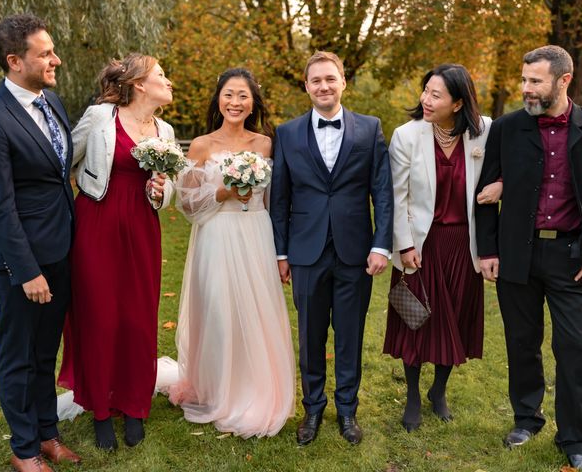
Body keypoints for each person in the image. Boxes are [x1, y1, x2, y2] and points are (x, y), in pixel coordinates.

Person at [0, 14, 80, 472]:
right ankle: (24, 450)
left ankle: (48, 434)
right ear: (14, 61)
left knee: (46, 351)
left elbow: (54, 179)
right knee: (18, 355)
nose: (56, 60)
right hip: (20, 261)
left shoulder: (54, 103)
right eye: (45, 53)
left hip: (60, 250)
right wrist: (27, 270)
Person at [475, 45, 582, 472]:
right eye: (524, 80)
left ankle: (574, 439)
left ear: (563, 81)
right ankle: (526, 419)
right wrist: (487, 250)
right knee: (521, 343)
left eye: (535, 81)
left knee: (574, 347)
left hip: (571, 256)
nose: (525, 88)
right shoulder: (508, 128)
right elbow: (485, 195)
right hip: (517, 254)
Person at [269, 51, 393, 446]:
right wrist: (281, 253)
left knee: (350, 335)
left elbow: (383, 193)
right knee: (310, 335)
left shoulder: (369, 129)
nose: (323, 86)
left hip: (356, 251)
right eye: (315, 80)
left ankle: (348, 411)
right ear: (306, 86)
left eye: (330, 79)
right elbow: (280, 199)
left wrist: (381, 246)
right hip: (305, 251)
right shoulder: (286, 134)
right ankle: (313, 409)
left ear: (343, 82)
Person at [167, 68, 295, 438]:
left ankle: (255, 389)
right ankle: (219, 390)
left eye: (242, 96)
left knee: (255, 310)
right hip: (216, 235)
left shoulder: (266, 144)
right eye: (228, 95)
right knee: (221, 312)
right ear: (218, 99)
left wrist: (279, 251)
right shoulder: (201, 145)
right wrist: (222, 193)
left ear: (253, 102)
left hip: (256, 232)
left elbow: (275, 200)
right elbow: (189, 205)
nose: (235, 102)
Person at [57, 53, 174, 450]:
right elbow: (63, 163)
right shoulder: (99, 117)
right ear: (140, 83)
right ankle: (102, 410)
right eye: (162, 75)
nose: (168, 81)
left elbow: (169, 185)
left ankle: (135, 405)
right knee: (100, 316)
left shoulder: (166, 129)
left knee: (139, 317)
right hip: (97, 223)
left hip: (143, 228)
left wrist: (162, 191)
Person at [383, 64, 501, 432]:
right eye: (425, 91)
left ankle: (439, 390)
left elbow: (515, 168)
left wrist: (502, 185)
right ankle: (414, 397)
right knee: (415, 320)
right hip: (421, 243)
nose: (426, 99)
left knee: (457, 321)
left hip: (463, 244)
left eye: (436, 94)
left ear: (458, 102)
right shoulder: (406, 136)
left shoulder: (486, 132)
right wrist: (403, 246)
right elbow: (396, 196)